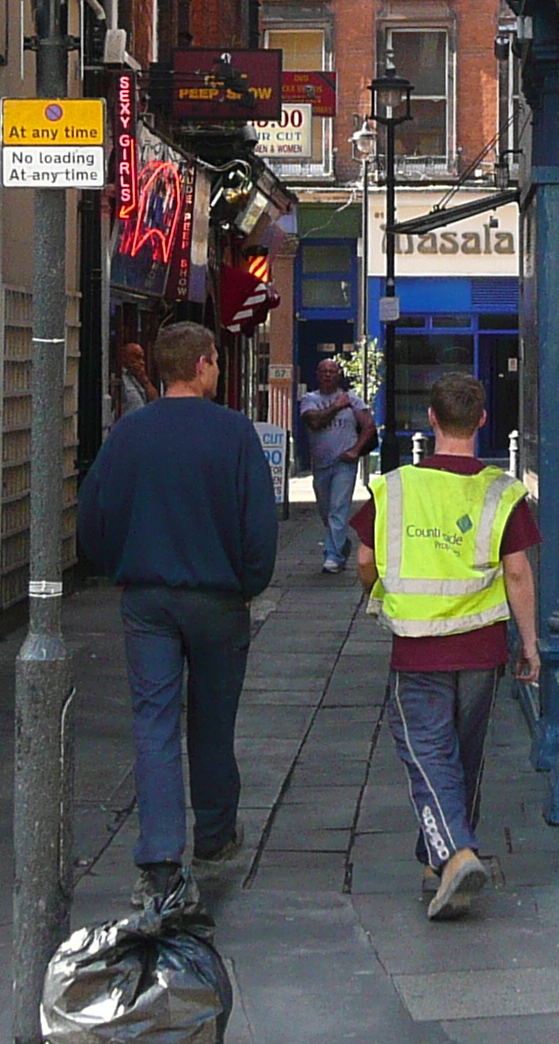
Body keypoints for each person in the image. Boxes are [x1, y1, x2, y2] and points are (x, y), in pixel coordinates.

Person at [76, 319, 278, 906]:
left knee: (154, 721)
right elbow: (258, 530)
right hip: (218, 599)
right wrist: (247, 583)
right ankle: (214, 835)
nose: (217, 368)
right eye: (215, 360)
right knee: (213, 721)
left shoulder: (129, 434)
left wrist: (123, 564)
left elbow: (94, 520)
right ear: (201, 364)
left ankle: (161, 859)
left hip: (147, 599)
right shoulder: (236, 435)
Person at [352, 369, 539, 922]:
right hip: (482, 650)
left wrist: (381, 594)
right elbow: (519, 574)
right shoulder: (502, 492)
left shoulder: (396, 487)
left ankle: (457, 855)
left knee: (427, 753)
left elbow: (365, 560)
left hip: (418, 650)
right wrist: (528, 645)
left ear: (429, 420)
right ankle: (436, 858)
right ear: (482, 420)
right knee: (465, 754)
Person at [294, 356, 375, 576]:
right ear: (318, 375)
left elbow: (369, 426)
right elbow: (315, 422)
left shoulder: (353, 400)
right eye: (324, 371)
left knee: (338, 509)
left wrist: (355, 450)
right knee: (326, 511)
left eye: (332, 371)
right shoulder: (310, 400)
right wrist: (336, 406)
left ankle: (332, 556)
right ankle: (341, 544)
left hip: (344, 464)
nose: (328, 375)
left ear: (338, 375)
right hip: (320, 465)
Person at [110, 338, 154, 428]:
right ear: (124, 357)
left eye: (142, 358)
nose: (141, 362)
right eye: (137, 357)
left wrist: (144, 380)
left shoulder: (138, 379)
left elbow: (155, 401)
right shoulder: (118, 378)